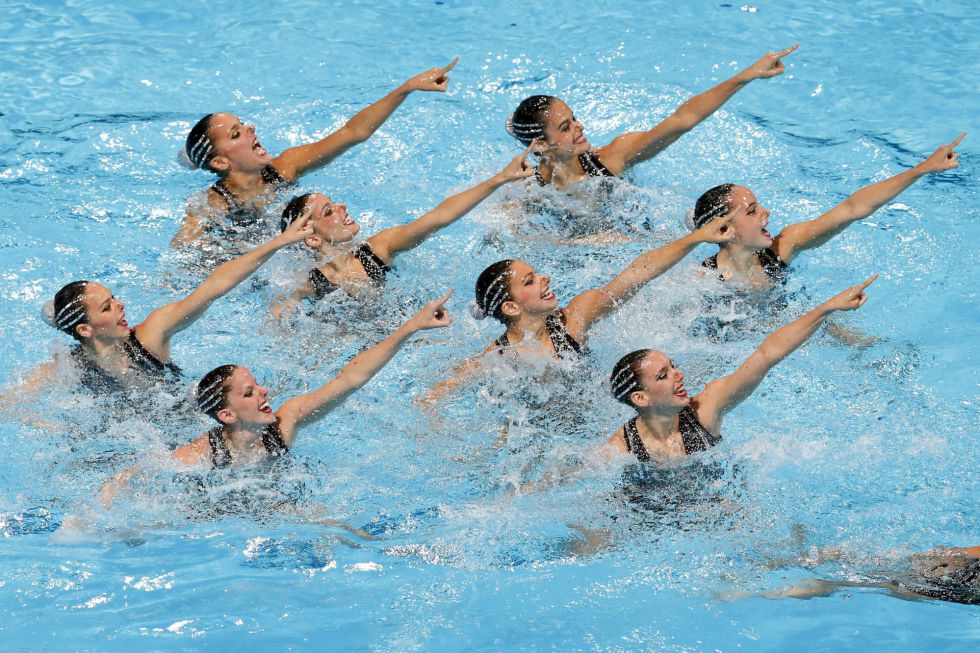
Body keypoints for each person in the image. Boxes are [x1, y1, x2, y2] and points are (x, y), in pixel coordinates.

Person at [417, 215, 735, 407]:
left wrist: (695, 238)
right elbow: (433, 398)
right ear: (512, 306)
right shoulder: (500, 357)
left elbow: (638, 273)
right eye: (530, 280)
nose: (545, 278)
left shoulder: (574, 319)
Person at [172, 58, 458, 246]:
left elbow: (353, 133)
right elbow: (182, 253)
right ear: (221, 161)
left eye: (243, 124)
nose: (251, 129)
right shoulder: (212, 206)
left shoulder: (285, 167)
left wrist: (406, 89)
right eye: (237, 133)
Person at [18, 216, 313, 397]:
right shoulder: (67, 366)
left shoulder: (150, 336)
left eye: (114, 298)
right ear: (84, 329)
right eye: (107, 307)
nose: (121, 305)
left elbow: (214, 286)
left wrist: (279, 242)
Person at [607, 275, 877, 461]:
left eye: (673, 366)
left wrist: (827, 308)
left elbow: (766, 355)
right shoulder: (621, 449)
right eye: (663, 375)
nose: (679, 374)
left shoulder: (706, 409)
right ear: (640, 398)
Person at [175, 291, 453, 467]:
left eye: (258, 384)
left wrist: (411, 327)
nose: (265, 391)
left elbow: (349, 379)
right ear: (227, 414)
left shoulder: (285, 423)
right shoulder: (200, 455)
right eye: (250, 392)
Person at [272, 146, 536, 315]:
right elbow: (278, 314)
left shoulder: (377, 248)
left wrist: (499, 179)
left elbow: (438, 218)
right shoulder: (309, 281)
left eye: (334, 203)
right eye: (329, 212)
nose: (342, 207)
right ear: (313, 238)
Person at [691, 133, 965, 289]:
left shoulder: (784, 245)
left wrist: (921, 170)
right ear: (725, 230)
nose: (767, 212)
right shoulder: (705, 281)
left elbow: (852, 208)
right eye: (752, 211)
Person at [506, 46, 797, 190]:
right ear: (540, 145)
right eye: (565, 127)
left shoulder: (613, 158)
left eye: (574, 118)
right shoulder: (527, 190)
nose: (580, 127)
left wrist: (747, 75)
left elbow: (684, 119)